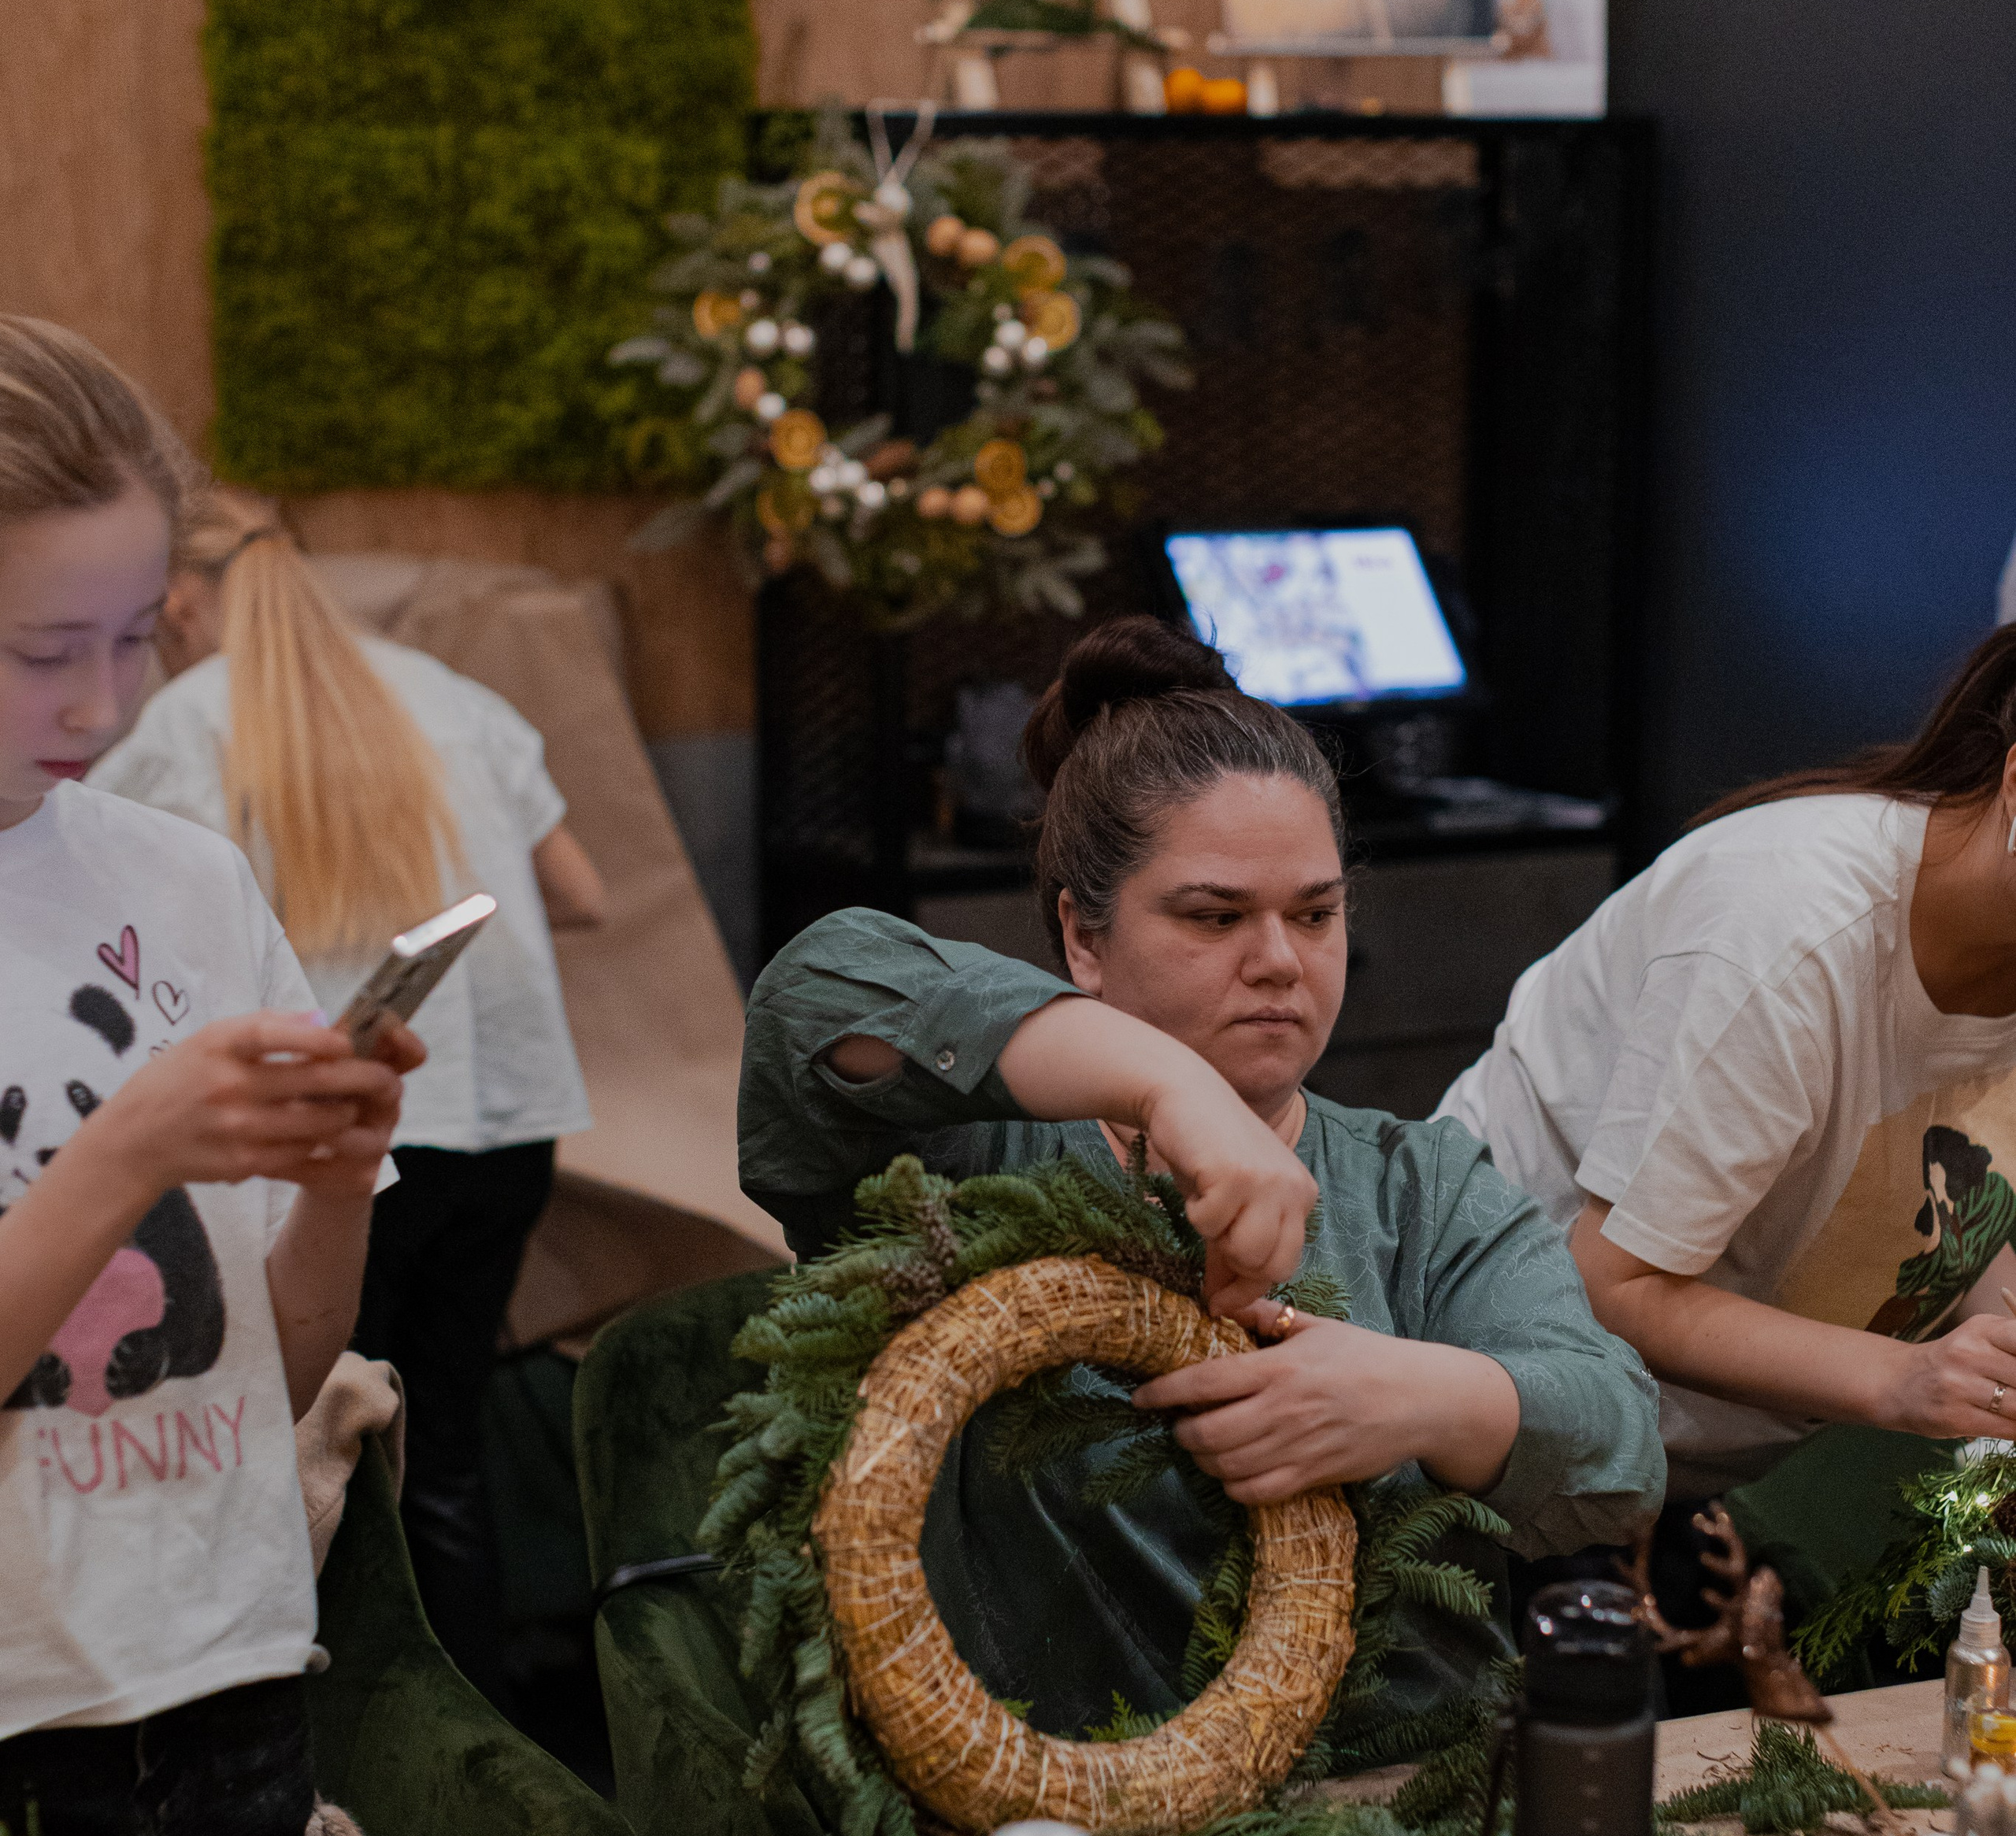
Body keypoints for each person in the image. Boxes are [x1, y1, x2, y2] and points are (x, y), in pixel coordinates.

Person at [739, 616, 1664, 1743]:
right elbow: (813, 993)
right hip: (1046, 1823)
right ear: (1084, 936)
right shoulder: (965, 1163)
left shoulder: (1421, 1187)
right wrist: (1167, 1086)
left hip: (1396, 1819)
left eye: (1315, 913)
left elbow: (1620, 1442)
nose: (1279, 958)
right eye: (1215, 916)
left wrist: (1420, 1398)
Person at [0, 318, 421, 1836]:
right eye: (44, 649)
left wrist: (335, 1179)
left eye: (139, 633)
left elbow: (281, 1374)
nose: (104, 701)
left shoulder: (181, 881)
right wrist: (135, 1144)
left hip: (229, 1669)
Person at [91, 490, 604, 1702]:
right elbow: (578, 891)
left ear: (178, 605)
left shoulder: (183, 725)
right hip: (504, 1125)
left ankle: (354, 1756)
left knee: (329, 1457)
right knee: (448, 1458)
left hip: (344, 1154)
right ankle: (484, 1765)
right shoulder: (453, 696)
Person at [1438, 628, 2016, 1512]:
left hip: (1754, 1471)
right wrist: (1907, 1380)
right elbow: (1612, 1284)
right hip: (1516, 1431)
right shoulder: (1788, 929)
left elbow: (1959, 1203)